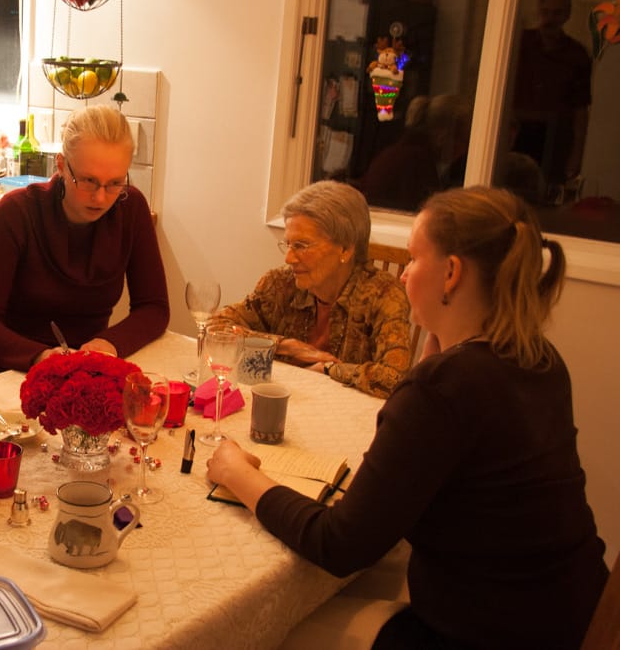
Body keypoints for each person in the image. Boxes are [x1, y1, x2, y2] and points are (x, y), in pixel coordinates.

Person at [207, 186, 608, 649]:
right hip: (574, 614)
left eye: (414, 260)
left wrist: (238, 474)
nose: (402, 277)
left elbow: (338, 545)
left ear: (452, 273)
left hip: (485, 635)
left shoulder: (441, 389)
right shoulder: (540, 359)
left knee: (277, 629)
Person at [0, 105, 169, 374]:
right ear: (61, 165)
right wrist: (42, 356)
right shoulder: (17, 211)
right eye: (88, 181)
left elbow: (154, 308)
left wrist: (108, 344)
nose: (100, 197)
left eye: (115, 183)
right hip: (4, 372)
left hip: (81, 371)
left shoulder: (131, 207)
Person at [209, 180, 411, 398]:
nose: (289, 258)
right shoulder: (280, 284)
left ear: (345, 249)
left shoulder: (384, 295)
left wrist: (329, 369)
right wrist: (286, 346)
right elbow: (216, 327)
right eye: (288, 244)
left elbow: (395, 378)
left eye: (301, 246)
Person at [510, 0, 592, 200]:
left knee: (544, 192)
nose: (549, 19)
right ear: (539, 12)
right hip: (515, 129)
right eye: (545, 12)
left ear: (567, 15)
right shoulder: (519, 43)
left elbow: (580, 109)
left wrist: (576, 154)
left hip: (554, 138)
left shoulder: (577, 55)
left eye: (556, 13)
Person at [358, 94, 472, 212]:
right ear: (443, 135)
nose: (465, 149)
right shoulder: (416, 163)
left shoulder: (404, 151)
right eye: (463, 139)